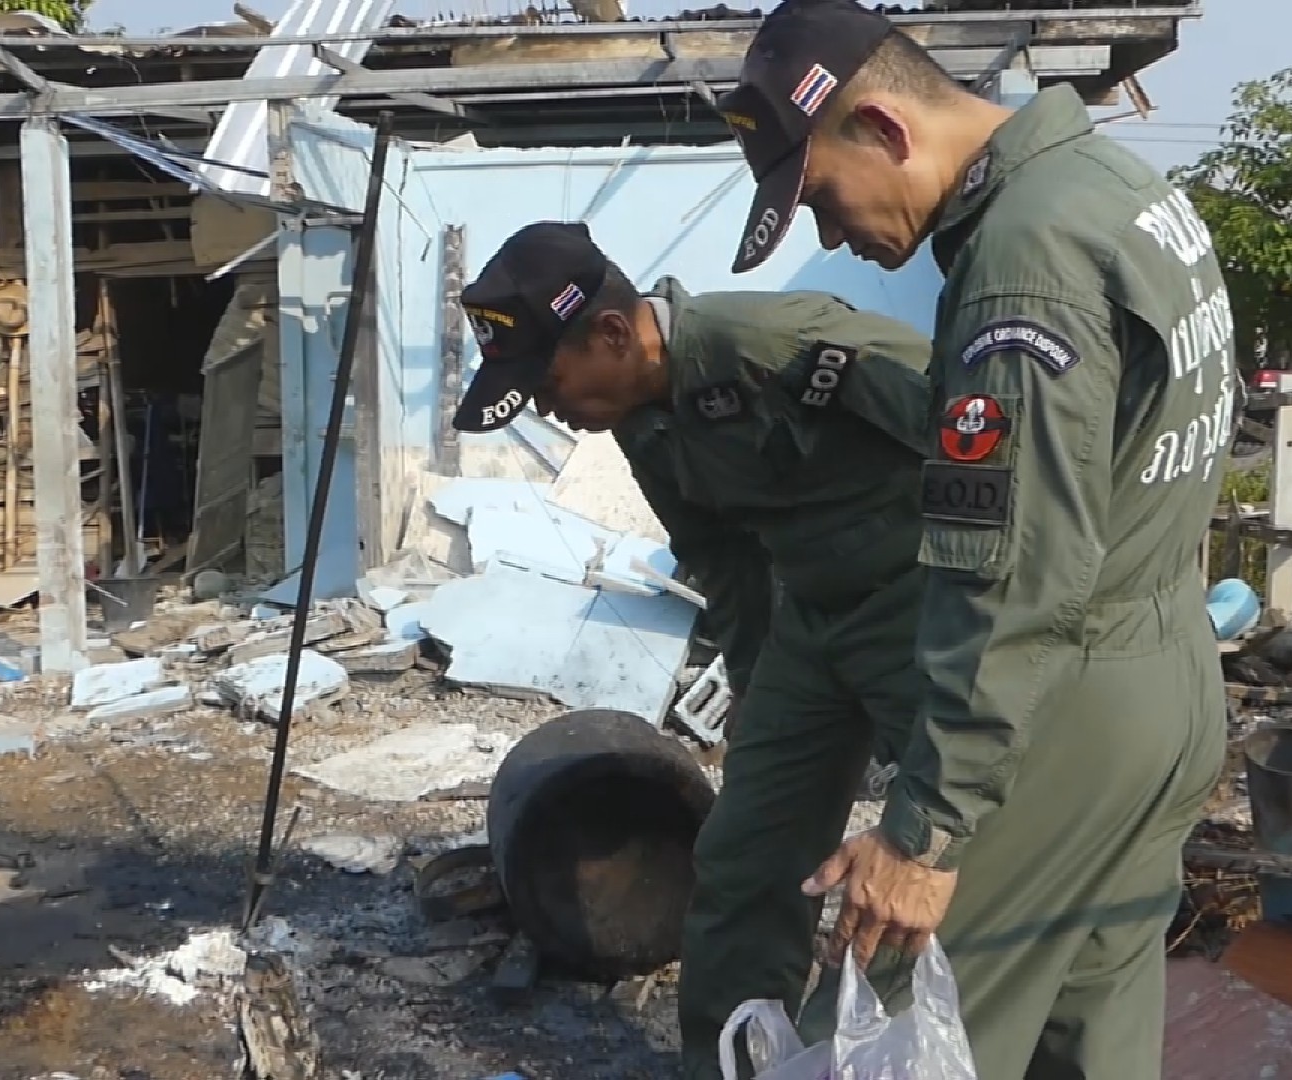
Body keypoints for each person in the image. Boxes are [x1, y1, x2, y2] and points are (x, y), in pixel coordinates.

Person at [712, 2, 1235, 1078]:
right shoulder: (1117, 190)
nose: (828, 236)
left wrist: (923, 832)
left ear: (886, 131)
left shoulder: (1020, 259)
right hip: (1171, 680)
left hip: (1070, 708)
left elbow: (1012, 574)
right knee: (1084, 1038)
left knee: (877, 1035)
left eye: (820, 196)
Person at [448, 220, 945, 1080]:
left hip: (919, 613)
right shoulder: (639, 417)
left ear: (612, 333)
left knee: (930, 868)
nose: (546, 407)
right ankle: (734, 1067)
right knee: (742, 860)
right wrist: (757, 693)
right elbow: (724, 560)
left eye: (547, 380)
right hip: (810, 629)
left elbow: (981, 435)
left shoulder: (775, 347)